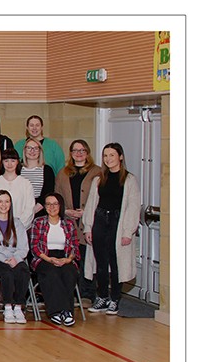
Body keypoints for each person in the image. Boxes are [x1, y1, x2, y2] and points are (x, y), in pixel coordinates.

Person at [83, 143, 142, 316]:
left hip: (118, 222)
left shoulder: (129, 180)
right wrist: (88, 227)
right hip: (100, 220)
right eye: (105, 155)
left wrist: (127, 231)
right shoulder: (99, 179)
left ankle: (115, 298)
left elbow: (133, 207)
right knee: (100, 262)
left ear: (120, 157)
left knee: (116, 263)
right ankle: (102, 297)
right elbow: (91, 204)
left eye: (112, 155)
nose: (108, 159)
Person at [56, 139, 100, 301]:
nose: (79, 153)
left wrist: (86, 212)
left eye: (82, 150)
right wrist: (66, 211)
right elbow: (56, 196)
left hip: (89, 222)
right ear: (71, 153)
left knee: (88, 259)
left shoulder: (97, 172)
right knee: (71, 258)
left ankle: (87, 293)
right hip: (69, 222)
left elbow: (101, 198)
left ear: (87, 152)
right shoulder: (63, 173)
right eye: (75, 150)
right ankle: (72, 293)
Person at [0, 189, 31, 324]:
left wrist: (16, 259)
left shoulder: (18, 223)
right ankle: (8, 307)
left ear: (10, 204)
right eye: (0, 202)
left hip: (15, 259)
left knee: (23, 271)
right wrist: (4, 260)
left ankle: (18, 307)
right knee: (7, 273)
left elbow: (24, 247)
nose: (4, 205)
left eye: (7, 201)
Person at [31, 193, 81, 326]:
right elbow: (35, 247)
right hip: (44, 257)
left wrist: (68, 260)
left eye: (55, 204)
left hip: (65, 256)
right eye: (48, 204)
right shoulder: (38, 222)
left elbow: (74, 246)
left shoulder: (68, 223)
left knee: (69, 273)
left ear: (60, 205)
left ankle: (65, 312)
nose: (52, 207)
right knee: (51, 273)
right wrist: (49, 259)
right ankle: (58, 311)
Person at [0, 149, 36, 226]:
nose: (9, 164)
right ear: (2, 162)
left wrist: (18, 226)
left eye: (13, 161)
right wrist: (0, 225)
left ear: (17, 162)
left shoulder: (26, 184)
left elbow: (29, 209)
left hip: (21, 227)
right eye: (6, 161)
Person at [20, 137, 56, 216]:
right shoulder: (18, 169)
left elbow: (48, 192)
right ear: (24, 150)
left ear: (40, 151)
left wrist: (33, 211)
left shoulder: (47, 170)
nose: (32, 151)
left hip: (40, 211)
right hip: (20, 210)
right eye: (29, 148)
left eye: (36, 148)